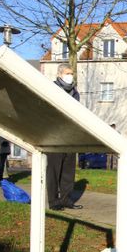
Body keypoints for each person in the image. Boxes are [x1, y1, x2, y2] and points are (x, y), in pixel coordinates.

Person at [47, 63, 83, 210]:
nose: (70, 76)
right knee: (54, 170)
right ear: (59, 74)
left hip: (70, 135)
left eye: (71, 73)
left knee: (68, 170)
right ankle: (54, 201)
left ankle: (66, 199)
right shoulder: (51, 89)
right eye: (67, 73)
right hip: (54, 134)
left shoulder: (75, 93)